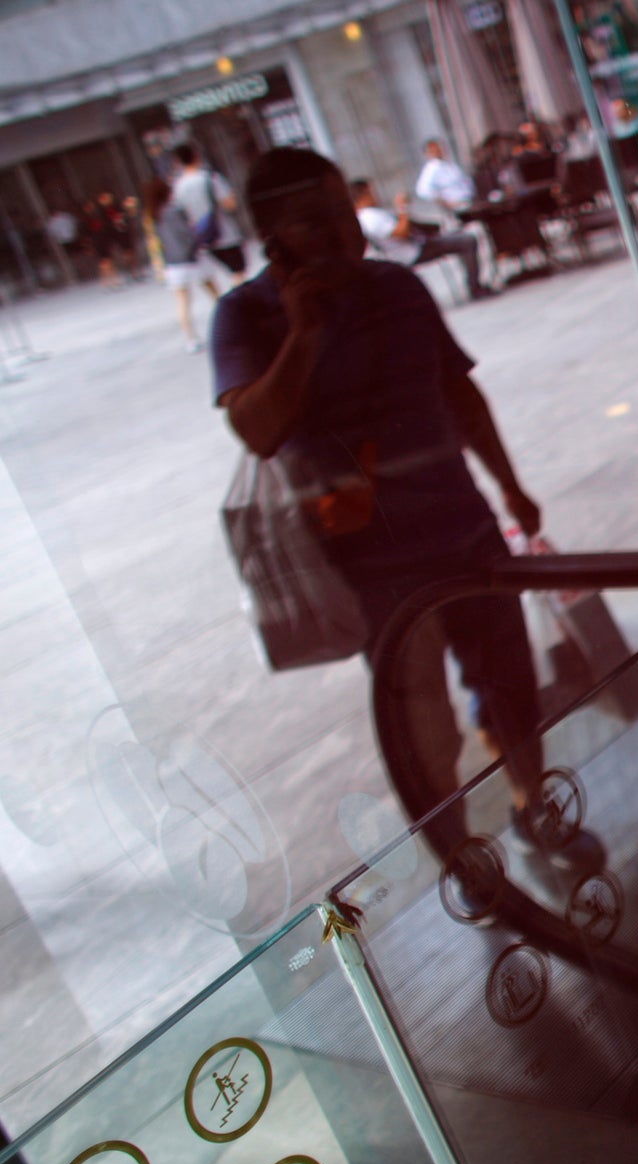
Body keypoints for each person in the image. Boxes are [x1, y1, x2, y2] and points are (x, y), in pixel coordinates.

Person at [210, 147, 579, 866]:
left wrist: (508, 484)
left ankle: (536, 805)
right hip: (367, 562)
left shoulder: (399, 287)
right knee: (421, 722)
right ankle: (459, 853)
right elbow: (256, 427)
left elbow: (460, 394)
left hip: (462, 528)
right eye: (320, 221)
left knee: (508, 684)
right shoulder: (246, 316)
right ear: (276, 235)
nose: (349, 232)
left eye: (346, 210)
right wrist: (304, 333)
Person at [351, 178, 492, 302]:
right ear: (365, 194)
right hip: (412, 252)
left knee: (457, 237)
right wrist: (402, 207)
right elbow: (401, 233)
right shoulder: (369, 217)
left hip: (417, 245)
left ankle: (472, 283)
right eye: (372, 192)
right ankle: (475, 287)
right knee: (467, 241)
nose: (377, 195)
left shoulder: (371, 214)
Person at [145, 176, 224, 352]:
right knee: (216, 293)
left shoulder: (153, 215)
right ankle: (232, 325)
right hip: (192, 259)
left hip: (173, 263)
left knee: (182, 302)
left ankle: (191, 339)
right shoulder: (173, 211)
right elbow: (188, 235)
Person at [170, 144, 247, 280]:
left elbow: (182, 214)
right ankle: (239, 299)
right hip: (225, 234)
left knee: (234, 273)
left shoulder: (177, 187)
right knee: (238, 272)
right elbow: (230, 205)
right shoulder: (211, 178)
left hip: (203, 238)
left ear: (178, 162)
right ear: (196, 156)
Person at [413, 138, 477, 215]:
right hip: (458, 210)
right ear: (428, 153)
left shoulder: (449, 165)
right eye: (435, 149)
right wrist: (445, 203)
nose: (439, 150)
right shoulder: (432, 168)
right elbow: (423, 190)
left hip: (470, 203)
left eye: (440, 147)